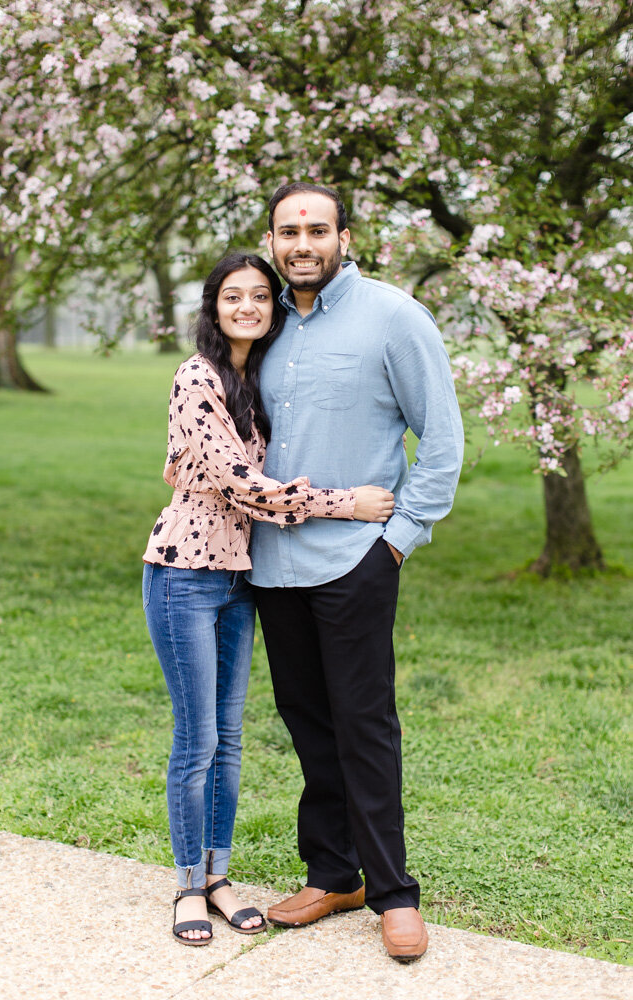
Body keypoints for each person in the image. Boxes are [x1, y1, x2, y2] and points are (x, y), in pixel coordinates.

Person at [142, 251, 395, 947]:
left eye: (260, 296)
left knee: (227, 742)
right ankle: (188, 887)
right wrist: (346, 503)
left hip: (237, 580)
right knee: (196, 742)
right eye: (233, 296)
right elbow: (244, 485)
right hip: (184, 575)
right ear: (213, 306)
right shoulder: (197, 374)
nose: (248, 306)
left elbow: (201, 464)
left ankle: (219, 880)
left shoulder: (248, 380)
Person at [250, 183, 464, 961]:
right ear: (271, 240)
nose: (301, 243)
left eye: (315, 229)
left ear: (344, 235)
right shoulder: (263, 321)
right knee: (307, 722)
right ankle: (333, 873)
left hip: (355, 561)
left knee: (364, 726)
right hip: (271, 565)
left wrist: (400, 539)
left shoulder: (393, 317)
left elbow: (440, 439)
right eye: (287, 231)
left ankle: (394, 892)